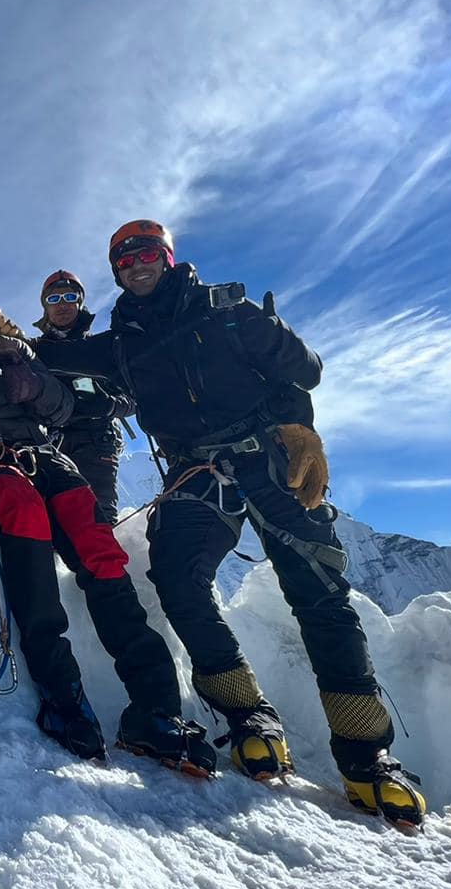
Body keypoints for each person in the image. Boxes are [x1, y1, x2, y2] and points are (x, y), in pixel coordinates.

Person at [32, 219, 426, 827]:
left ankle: (366, 757)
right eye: (123, 259)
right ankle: (248, 717)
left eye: (145, 254)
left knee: (318, 593)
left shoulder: (229, 311)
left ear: (166, 258)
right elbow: (55, 356)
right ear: (116, 272)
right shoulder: (123, 342)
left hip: (272, 458)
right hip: (196, 473)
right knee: (178, 579)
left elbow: (307, 370)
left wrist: (299, 424)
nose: (135, 265)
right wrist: (1, 339)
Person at [0, 254, 215, 773]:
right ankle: (62, 695)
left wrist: (36, 384)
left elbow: (64, 409)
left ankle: (155, 708)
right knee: (24, 517)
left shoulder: (7, 347)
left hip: (45, 456)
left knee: (96, 541)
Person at [30, 269, 133, 525]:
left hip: (96, 440)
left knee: (97, 516)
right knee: (48, 519)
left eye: (69, 297)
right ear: (45, 307)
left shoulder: (104, 349)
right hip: (48, 442)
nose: (61, 305)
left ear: (80, 302)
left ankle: (106, 563)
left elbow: (134, 398)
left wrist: (109, 405)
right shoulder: (31, 353)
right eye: (53, 299)